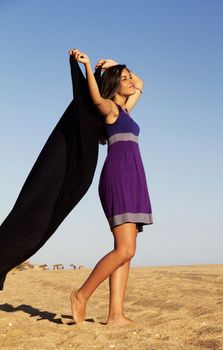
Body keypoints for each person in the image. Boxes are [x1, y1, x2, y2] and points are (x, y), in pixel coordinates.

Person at [69, 49, 153, 326]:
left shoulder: (126, 110)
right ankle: (81, 295)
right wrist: (90, 66)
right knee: (125, 250)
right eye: (125, 79)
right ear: (115, 84)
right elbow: (94, 98)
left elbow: (142, 84)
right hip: (118, 178)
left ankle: (115, 314)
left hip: (134, 178)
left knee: (126, 250)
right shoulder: (110, 109)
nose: (131, 82)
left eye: (129, 77)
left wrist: (119, 66)